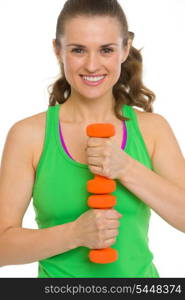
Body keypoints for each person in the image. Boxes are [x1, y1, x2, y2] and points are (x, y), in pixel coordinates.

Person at [0, 0, 185, 278]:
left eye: (106, 50)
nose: (92, 65)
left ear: (125, 48)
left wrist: (126, 168)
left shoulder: (153, 130)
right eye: (78, 50)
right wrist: (75, 234)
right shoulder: (29, 135)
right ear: (58, 50)